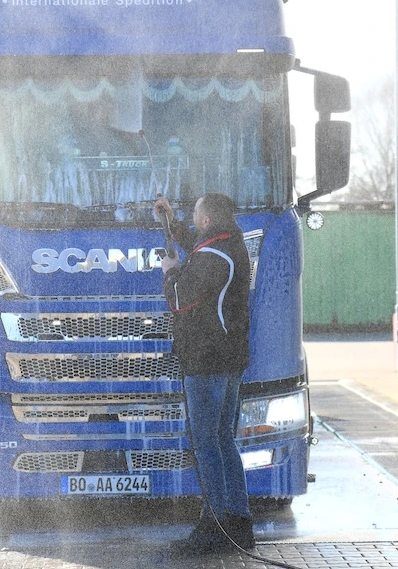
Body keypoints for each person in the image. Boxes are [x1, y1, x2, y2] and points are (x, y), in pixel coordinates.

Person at [154, 193, 255, 554]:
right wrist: (171, 225)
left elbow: (180, 298)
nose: (192, 218)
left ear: (208, 220)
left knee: (207, 445)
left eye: (194, 214)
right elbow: (198, 249)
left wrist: (170, 273)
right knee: (224, 441)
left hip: (206, 361)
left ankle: (213, 527)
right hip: (228, 362)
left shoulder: (212, 256)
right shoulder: (228, 245)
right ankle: (239, 523)